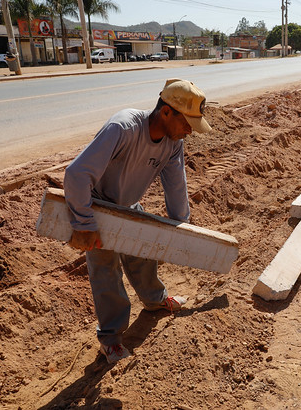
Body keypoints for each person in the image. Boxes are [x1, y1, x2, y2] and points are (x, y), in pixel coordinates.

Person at [64, 78, 212, 364]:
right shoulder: (123, 128)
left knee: (144, 255)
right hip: (99, 208)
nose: (189, 131)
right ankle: (111, 339)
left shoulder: (172, 142)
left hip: (129, 206)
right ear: (166, 112)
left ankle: (155, 301)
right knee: (106, 273)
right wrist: (84, 222)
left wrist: (182, 226)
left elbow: (176, 184)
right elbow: (76, 174)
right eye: (186, 123)